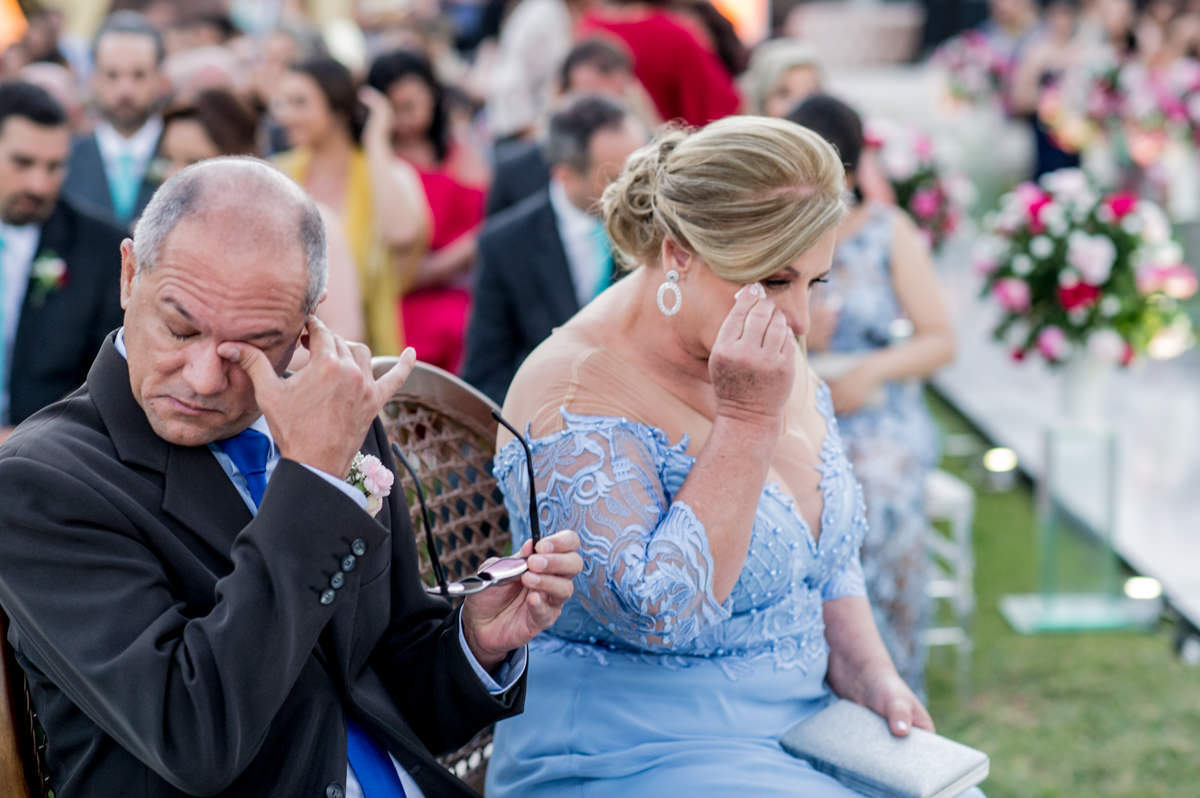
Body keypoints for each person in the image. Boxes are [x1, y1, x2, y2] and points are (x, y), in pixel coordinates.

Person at [0, 156, 583, 797]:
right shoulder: (40, 482)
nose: (201, 377)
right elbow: (196, 736)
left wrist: (475, 643)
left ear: (306, 327)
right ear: (130, 273)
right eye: (179, 327)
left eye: (249, 346)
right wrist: (310, 484)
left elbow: (383, 688)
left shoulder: (339, 423)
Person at [484, 116, 955, 796]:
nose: (797, 319)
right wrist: (747, 422)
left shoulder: (757, 341)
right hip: (630, 751)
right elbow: (657, 613)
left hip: (806, 725)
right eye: (772, 280)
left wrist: (872, 674)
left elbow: (828, 551)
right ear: (678, 254)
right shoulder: (575, 388)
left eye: (814, 284)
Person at [788, 94, 955, 698]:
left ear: (851, 173)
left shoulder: (889, 232)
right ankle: (810, 670)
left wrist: (872, 372)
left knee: (875, 486)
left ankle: (891, 673)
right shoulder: (778, 238)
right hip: (797, 403)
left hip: (880, 408)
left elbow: (940, 340)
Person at [463, 94, 646, 404]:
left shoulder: (657, 226)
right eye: (617, 178)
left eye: (641, 169)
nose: (639, 188)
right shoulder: (506, 245)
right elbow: (486, 373)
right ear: (566, 175)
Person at [274, 56, 428, 356]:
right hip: (290, 354)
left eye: (299, 103)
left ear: (337, 109)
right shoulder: (276, 174)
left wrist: (376, 138)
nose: (284, 116)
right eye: (282, 103)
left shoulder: (386, 173)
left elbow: (402, 234)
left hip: (368, 356)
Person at [0, 80, 124, 443]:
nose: (39, 185)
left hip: (43, 458)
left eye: (55, 167)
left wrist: (22, 440)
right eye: (22, 163)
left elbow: (104, 385)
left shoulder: (101, 250)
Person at [366, 48, 488, 374]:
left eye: (411, 106)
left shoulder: (460, 149)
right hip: (412, 302)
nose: (404, 120)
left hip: (473, 293)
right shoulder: (380, 165)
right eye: (394, 110)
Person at [486, 37, 658, 218]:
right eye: (587, 105)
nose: (601, 119)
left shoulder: (656, 160)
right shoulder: (515, 172)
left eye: (613, 106)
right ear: (559, 94)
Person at [62, 12, 168, 229]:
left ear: (160, 78)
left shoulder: (183, 156)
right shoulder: (65, 159)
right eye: (112, 75)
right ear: (93, 79)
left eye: (139, 75)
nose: (125, 90)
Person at [577, 0, 741, 127]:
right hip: (667, 158)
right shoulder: (674, 33)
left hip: (596, 157)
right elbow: (721, 111)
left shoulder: (587, 27)